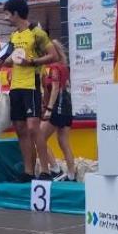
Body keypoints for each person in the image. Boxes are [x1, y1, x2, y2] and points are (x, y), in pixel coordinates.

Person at [0, 0, 59, 182]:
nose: (6, 18)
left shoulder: (37, 32)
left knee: (34, 127)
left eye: (7, 14)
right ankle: (28, 171)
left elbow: (53, 55)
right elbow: (9, 59)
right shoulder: (13, 36)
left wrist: (32, 61)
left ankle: (45, 171)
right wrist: (4, 60)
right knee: (20, 128)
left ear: (16, 13)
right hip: (15, 86)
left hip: (31, 85)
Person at [41, 40, 77, 181]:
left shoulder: (54, 68)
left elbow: (55, 88)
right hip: (67, 106)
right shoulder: (63, 66)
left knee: (40, 138)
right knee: (63, 142)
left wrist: (49, 108)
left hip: (58, 106)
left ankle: (56, 170)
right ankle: (71, 175)